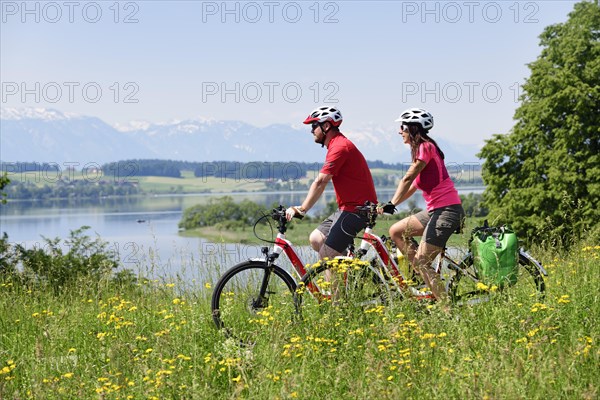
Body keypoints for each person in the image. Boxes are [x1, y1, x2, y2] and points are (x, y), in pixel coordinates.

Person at [380, 108, 465, 303]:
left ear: (412, 128)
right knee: (396, 231)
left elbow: (408, 177)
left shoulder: (425, 147)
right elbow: (412, 188)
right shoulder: (424, 151)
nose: (399, 131)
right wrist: (387, 206)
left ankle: (447, 310)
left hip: (447, 211)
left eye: (402, 127)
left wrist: (392, 203)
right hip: (436, 211)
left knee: (422, 262)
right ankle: (423, 275)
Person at [286, 106, 378, 260]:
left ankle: (334, 285)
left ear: (326, 126)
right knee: (316, 239)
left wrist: (301, 209)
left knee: (326, 255)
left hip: (358, 210)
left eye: (314, 126)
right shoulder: (336, 145)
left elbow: (321, 181)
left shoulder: (340, 147)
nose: (312, 131)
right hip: (347, 208)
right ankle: (347, 274)